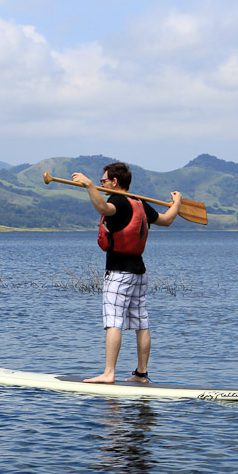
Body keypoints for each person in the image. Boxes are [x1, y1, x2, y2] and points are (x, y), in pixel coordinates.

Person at [72, 162, 182, 384]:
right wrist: (177, 202)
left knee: (114, 322)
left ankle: (108, 373)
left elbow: (104, 209)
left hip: (119, 274)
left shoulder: (118, 201)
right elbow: (167, 220)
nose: (102, 184)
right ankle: (141, 374)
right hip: (139, 273)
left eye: (103, 180)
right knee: (141, 324)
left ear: (114, 181)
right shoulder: (139, 203)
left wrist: (89, 186)